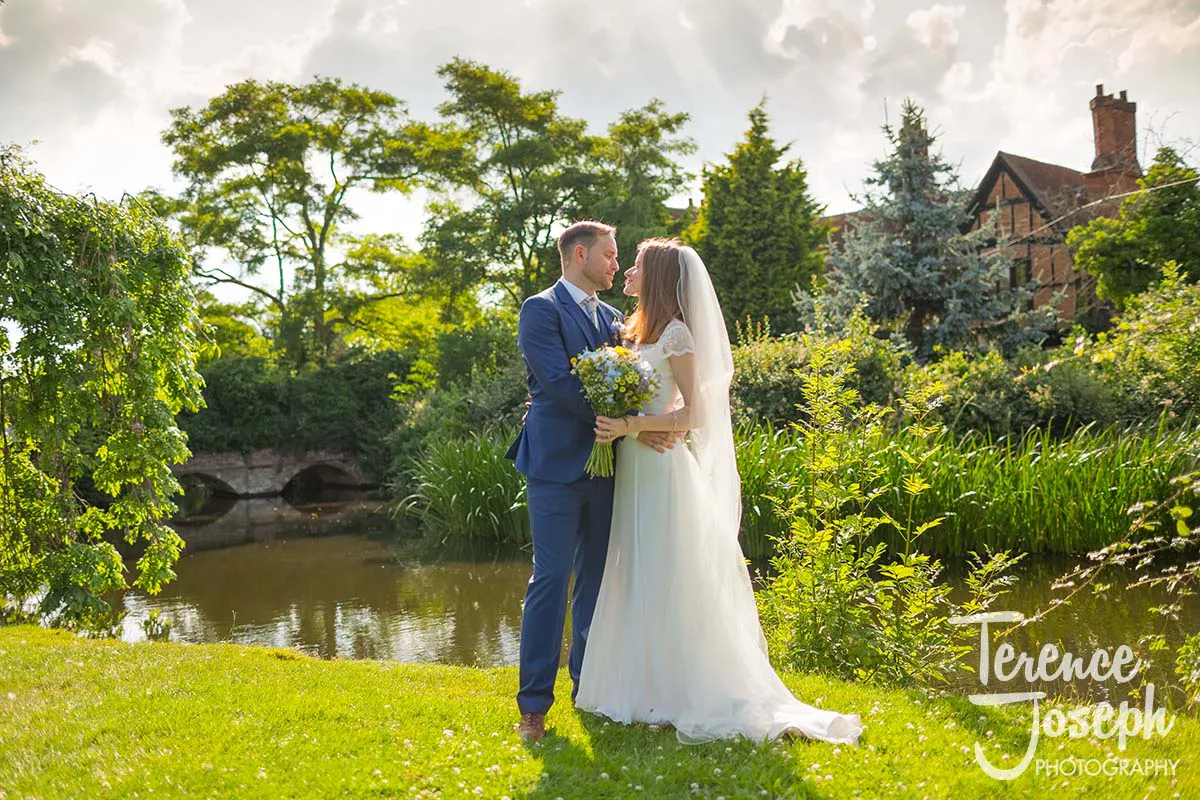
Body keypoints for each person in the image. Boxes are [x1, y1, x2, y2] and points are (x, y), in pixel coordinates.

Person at [574, 237, 863, 745]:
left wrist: (631, 425)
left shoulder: (678, 335)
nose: (628, 272)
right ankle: (640, 687)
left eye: (637, 265)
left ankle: (682, 688)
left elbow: (699, 412)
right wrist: (628, 426)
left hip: (662, 470)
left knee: (668, 573)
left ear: (660, 276)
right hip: (633, 471)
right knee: (635, 569)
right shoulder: (631, 330)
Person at [505, 221, 679, 743]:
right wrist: (618, 420)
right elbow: (556, 383)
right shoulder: (540, 309)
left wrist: (638, 427)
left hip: (610, 469)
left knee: (598, 585)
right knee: (551, 580)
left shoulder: (614, 318)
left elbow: (636, 380)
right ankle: (533, 706)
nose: (614, 265)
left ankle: (589, 688)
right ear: (579, 254)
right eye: (608, 255)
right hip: (555, 466)